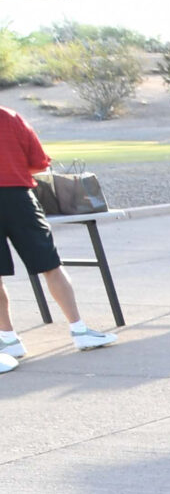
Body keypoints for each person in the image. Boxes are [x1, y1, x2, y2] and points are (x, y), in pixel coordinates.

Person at [0, 104, 119, 372]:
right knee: (50, 265)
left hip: (16, 194)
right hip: (19, 198)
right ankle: (78, 329)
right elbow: (38, 162)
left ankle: (7, 338)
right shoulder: (10, 117)